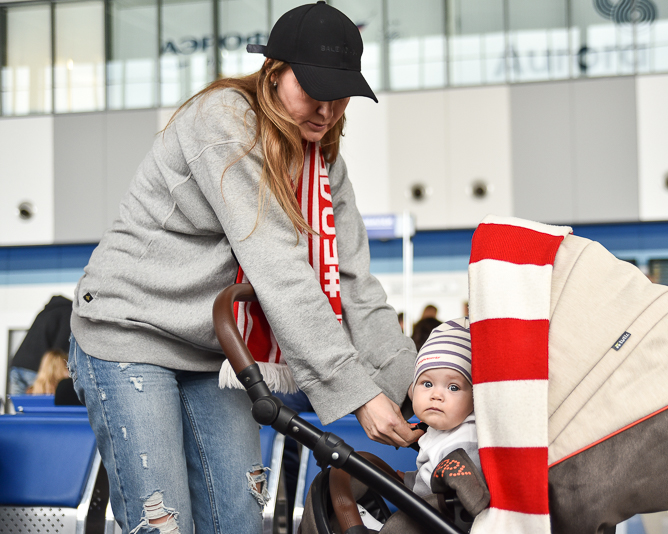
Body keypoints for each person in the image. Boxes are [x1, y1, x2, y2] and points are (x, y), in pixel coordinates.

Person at [67, 3, 420, 533]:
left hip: (215, 352)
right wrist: (359, 394)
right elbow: (279, 269)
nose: (326, 111)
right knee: (165, 523)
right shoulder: (227, 123)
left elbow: (356, 287)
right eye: (314, 90)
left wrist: (416, 387)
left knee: (240, 522)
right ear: (273, 72)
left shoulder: (324, 164)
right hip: (131, 331)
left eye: (341, 95)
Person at [404, 318, 481, 497]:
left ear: (474, 397)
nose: (436, 395)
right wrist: (409, 479)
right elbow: (430, 473)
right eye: (427, 384)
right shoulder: (441, 429)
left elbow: (445, 497)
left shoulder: (464, 444)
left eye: (453, 387)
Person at [8, 295, 72, 395]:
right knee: (40, 401)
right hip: (35, 367)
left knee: (20, 404)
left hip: (16, 365)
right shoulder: (68, 312)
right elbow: (59, 349)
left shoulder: (45, 311)